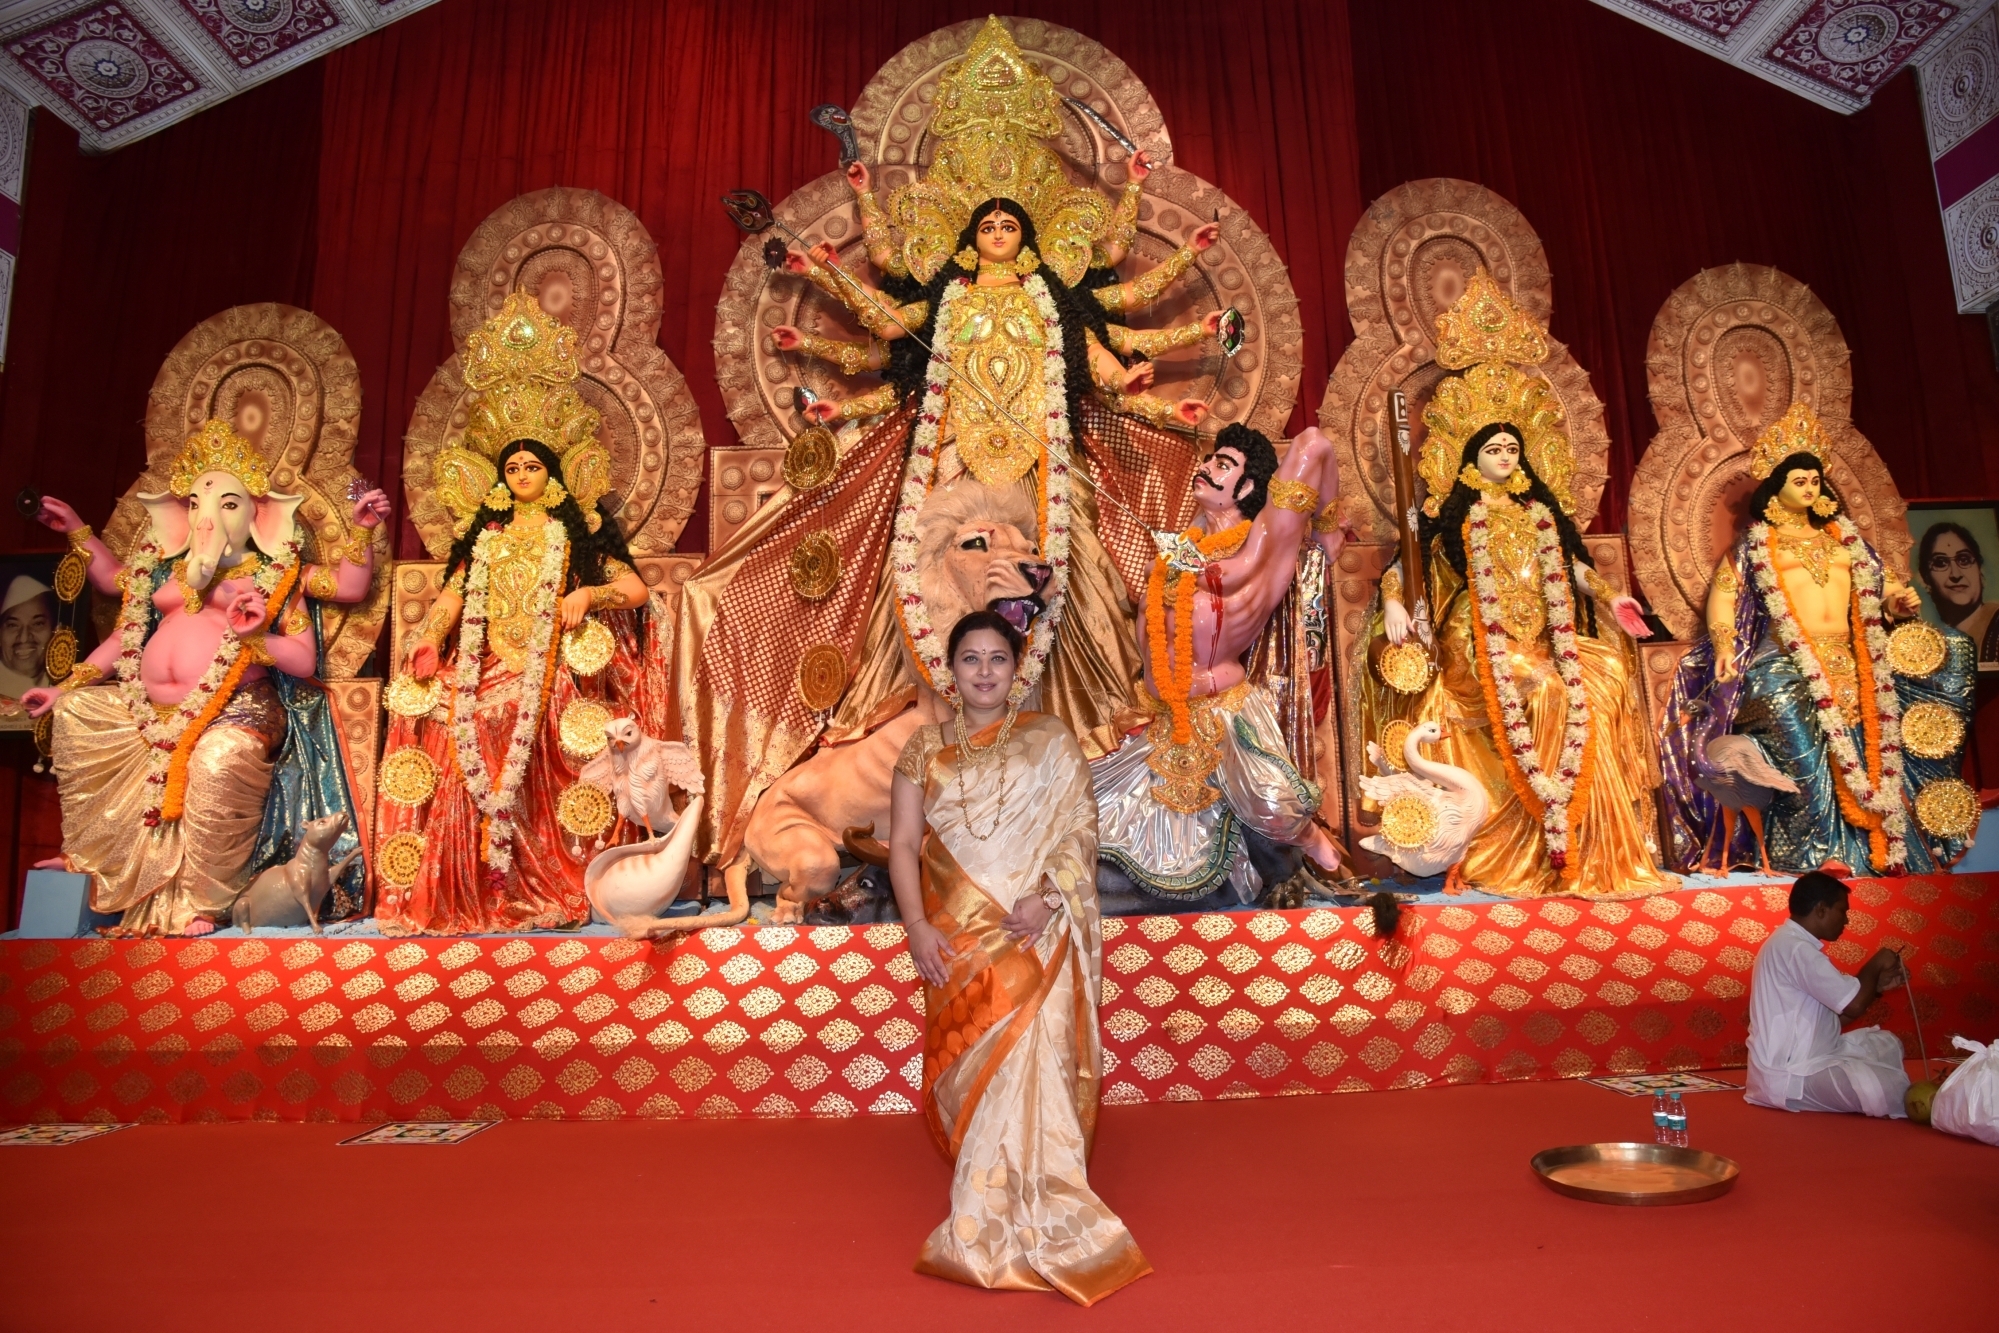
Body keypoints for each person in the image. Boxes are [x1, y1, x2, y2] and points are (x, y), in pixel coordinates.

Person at [680, 17, 1227, 881]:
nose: (1001, 229)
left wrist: (1176, 359)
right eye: (989, 223)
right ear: (969, 237)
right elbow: (883, 329)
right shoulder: (943, 304)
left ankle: (1075, 758)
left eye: (1014, 221)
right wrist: (819, 277)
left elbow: (1112, 345)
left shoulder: (1059, 303)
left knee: (1070, 604)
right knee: (935, 598)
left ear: (1033, 236)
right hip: (947, 474)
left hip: (1050, 476)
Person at [1363, 269, 1675, 899]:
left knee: (1606, 674)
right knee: (1550, 693)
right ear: (1468, 456)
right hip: (1480, 647)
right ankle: (1541, 848)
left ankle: (1598, 843)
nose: (1506, 454)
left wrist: (1608, 595)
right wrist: (1395, 603)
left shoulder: (1540, 514)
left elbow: (1574, 568)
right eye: (1494, 447)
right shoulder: (1448, 518)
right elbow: (1404, 570)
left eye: (1513, 446)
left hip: (1546, 637)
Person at [374, 291, 670, 935]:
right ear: (498, 478)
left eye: (533, 465)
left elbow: (638, 591)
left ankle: (546, 874)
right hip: (487, 665)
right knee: (460, 714)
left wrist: (588, 594)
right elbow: (453, 595)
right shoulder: (485, 537)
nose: (523, 474)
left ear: (555, 470)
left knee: (525, 714)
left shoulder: (580, 530)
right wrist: (429, 638)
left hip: (553, 671)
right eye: (512, 467)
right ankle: (475, 885)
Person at [21, 421, 388, 934]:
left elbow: (331, 614)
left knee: (218, 760)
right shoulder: (163, 574)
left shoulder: (276, 575)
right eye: (195, 505)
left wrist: (361, 530)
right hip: (149, 711)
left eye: (227, 505)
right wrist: (76, 531)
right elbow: (116, 606)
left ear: (260, 513)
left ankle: (207, 899)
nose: (207, 518)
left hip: (236, 708)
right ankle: (96, 861)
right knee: (78, 714)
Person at [888, 610, 1149, 1305]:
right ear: (950, 670)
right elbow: (902, 843)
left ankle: (1046, 1202)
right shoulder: (922, 749)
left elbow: (1078, 829)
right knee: (972, 1072)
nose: (982, 671)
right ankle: (980, 1215)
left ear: (1016, 668)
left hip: (1037, 930)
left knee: (1035, 1071)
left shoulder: (1050, 740)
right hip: (956, 939)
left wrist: (1047, 899)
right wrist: (915, 925)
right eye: (968, 658)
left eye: (995, 658)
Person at [1660, 404, 1977, 875]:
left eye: (1814, 480)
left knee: (1947, 660)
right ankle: (1814, 851)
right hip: (1781, 660)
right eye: (1799, 481)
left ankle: (1886, 841)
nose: (1809, 489)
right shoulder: (1756, 544)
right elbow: (1724, 596)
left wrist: (1898, 601)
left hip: (1851, 661)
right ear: (1777, 488)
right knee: (1796, 725)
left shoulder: (1844, 539)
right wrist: (1724, 644)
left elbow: (1880, 586)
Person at [1092, 422, 1347, 904]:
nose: (1206, 468)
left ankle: (1318, 851)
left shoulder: (1265, 547)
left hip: (1222, 710)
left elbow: (1315, 441)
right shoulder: (1183, 547)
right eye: (1209, 459)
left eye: (1223, 464)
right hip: (1160, 714)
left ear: (1247, 487)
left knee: (1276, 810)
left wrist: (1328, 530)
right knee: (1090, 816)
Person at [1746, 871, 1912, 1117]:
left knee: (1887, 1045)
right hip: (1790, 1073)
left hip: (1815, 1056)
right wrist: (1877, 964)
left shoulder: (1793, 943)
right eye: (1843, 911)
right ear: (1821, 909)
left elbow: (1834, 1019)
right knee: (1889, 1089)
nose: (1846, 920)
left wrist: (1875, 989)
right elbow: (1853, 1006)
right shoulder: (1796, 949)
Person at [1916, 521, 1999, 664]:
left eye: (1964, 560)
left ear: (1980, 571)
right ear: (1926, 579)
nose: (1955, 574)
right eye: (1940, 563)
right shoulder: (1924, 640)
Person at [0, 575, 55, 701]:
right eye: (13, 625)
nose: (24, 638)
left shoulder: (67, 684)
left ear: (54, 629)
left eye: (38, 624)